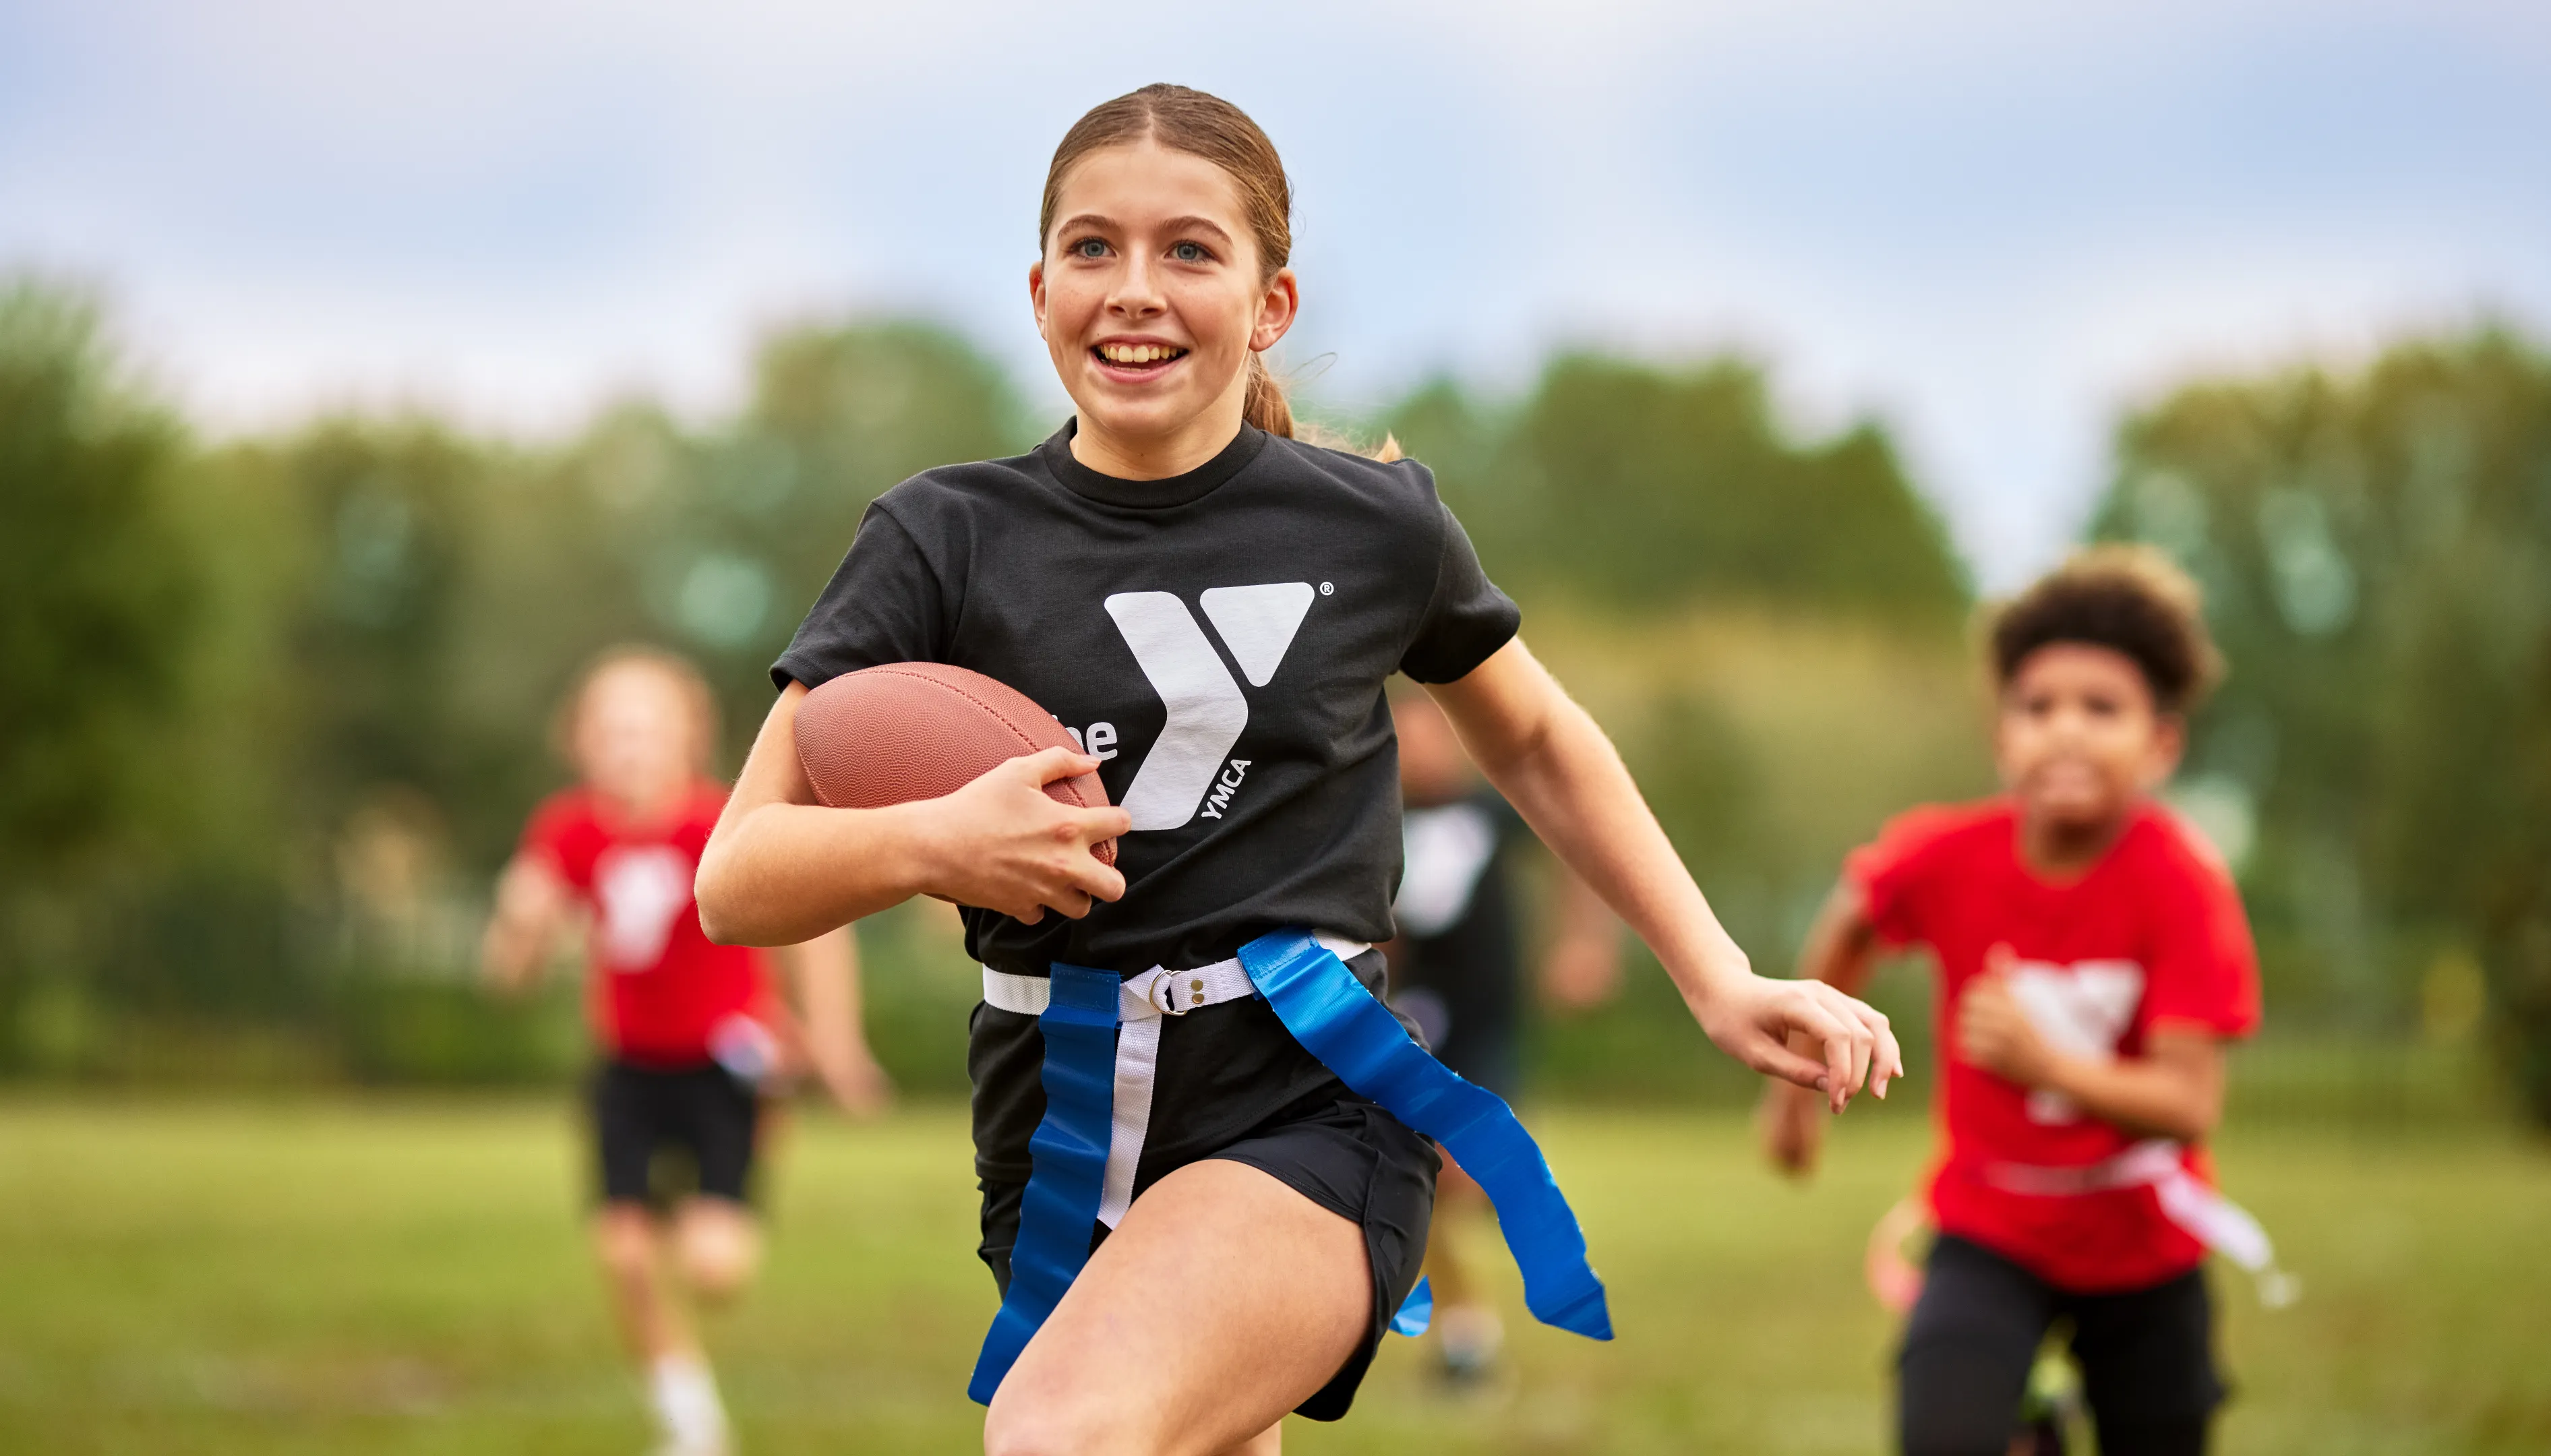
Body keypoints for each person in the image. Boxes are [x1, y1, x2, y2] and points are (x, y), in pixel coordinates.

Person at [694, 84, 1901, 1456]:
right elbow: (737, 882)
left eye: (1190, 251)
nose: (1134, 290)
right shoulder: (938, 540)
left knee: (1065, 1436)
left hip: (1306, 1096)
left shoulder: (1373, 524)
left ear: (1271, 303)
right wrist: (932, 844)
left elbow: (1539, 737)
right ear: (1038, 291)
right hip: (1054, 1114)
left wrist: (1717, 973)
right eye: (1093, 250)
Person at [1760, 545, 2264, 1456]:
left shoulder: (2186, 885)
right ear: (2003, 738)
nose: (2066, 731)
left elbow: (2188, 1106)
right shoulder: (1950, 855)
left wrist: (2048, 1068)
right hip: (1990, 1225)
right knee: (1944, 1431)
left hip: (2142, 1244)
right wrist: (1795, 1089)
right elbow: (1852, 917)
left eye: (2101, 709)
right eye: (2038, 708)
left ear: (2162, 743)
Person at [483, 646, 887, 1456]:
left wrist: (837, 1043)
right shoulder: (568, 832)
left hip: (724, 1069)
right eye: (611, 731)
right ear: (581, 742)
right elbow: (507, 977)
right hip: (628, 1071)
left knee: (715, 1272)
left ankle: (712, 1193)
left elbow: (821, 933)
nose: (628, 747)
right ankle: (689, 1422)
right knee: (626, 1254)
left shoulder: (724, 823)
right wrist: (520, 926)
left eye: (647, 729)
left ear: (691, 737)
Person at [1383, 685, 1621, 1383]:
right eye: (1402, 735)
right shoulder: (1379, 822)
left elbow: (1578, 844)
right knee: (1416, 1178)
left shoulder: (1490, 811)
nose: (1415, 748)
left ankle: (1514, 1233)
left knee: (1462, 1184)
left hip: (1489, 1023)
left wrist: (1584, 943)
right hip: (1417, 1021)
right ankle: (1465, 1332)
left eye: (1427, 732)